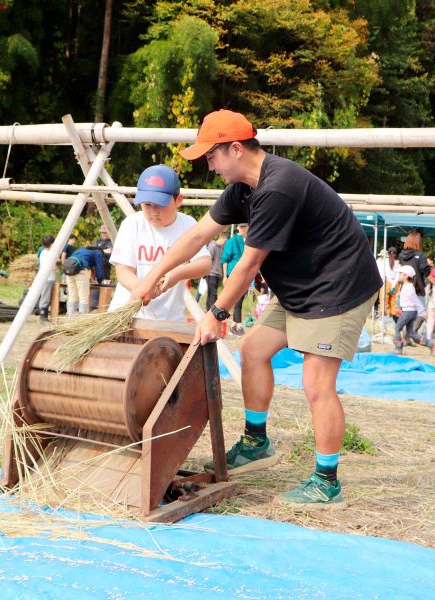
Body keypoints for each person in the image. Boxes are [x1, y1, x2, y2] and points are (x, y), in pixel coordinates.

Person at [130, 109, 381, 508]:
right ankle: (256, 442)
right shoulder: (241, 190)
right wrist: (152, 277)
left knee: (316, 384)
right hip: (301, 287)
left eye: (211, 157)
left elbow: (248, 264)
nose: (208, 166)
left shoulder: (278, 188)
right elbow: (197, 235)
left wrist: (218, 313)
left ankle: (326, 481)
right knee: (254, 350)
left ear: (234, 148)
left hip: (338, 286)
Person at [107, 164, 211, 321]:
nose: (153, 212)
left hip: (168, 319)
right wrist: (141, 288)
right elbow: (122, 271)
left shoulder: (187, 225)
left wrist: (176, 274)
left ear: (178, 200)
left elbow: (204, 264)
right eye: (147, 205)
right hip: (128, 317)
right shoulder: (132, 224)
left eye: (160, 205)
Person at [392, 265, 433, 355]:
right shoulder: (406, 286)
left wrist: (423, 311)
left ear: (406, 276)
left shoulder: (408, 287)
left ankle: (398, 349)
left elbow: (415, 300)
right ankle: (429, 343)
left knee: (398, 328)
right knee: (411, 333)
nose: (399, 275)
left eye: (400, 274)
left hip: (409, 312)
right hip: (410, 311)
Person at [62, 245, 107, 316]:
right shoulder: (98, 253)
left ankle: (70, 317)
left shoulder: (82, 249)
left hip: (69, 271)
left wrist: (91, 278)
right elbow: (99, 268)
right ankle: (82, 319)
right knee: (83, 296)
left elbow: (89, 265)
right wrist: (100, 280)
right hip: (81, 271)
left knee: (72, 296)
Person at [221, 223, 248, 335]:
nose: (243, 229)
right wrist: (225, 276)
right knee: (236, 299)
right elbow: (224, 259)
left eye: (245, 226)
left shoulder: (250, 241)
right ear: (237, 228)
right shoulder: (232, 241)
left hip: (246, 273)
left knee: (240, 299)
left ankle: (235, 324)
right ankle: (237, 325)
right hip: (234, 273)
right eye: (241, 226)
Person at [203, 232, 229, 310]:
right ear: (223, 238)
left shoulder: (221, 248)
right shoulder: (213, 245)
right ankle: (211, 311)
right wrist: (205, 272)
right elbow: (208, 259)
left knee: (212, 294)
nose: (225, 243)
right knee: (213, 294)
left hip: (217, 274)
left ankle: (209, 310)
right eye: (226, 241)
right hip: (211, 273)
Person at [377, 247, 400, 323]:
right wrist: (393, 284)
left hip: (386, 283)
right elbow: (398, 275)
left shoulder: (384, 262)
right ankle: (394, 320)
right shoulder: (397, 263)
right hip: (395, 285)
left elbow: (382, 273)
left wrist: (389, 282)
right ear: (396, 254)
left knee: (384, 302)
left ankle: (383, 321)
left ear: (388, 254)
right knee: (393, 303)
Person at [38, 235, 57, 322]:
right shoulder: (49, 254)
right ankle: (43, 315)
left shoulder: (43, 252)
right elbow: (53, 267)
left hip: (45, 277)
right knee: (45, 297)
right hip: (48, 278)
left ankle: (44, 315)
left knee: (45, 296)